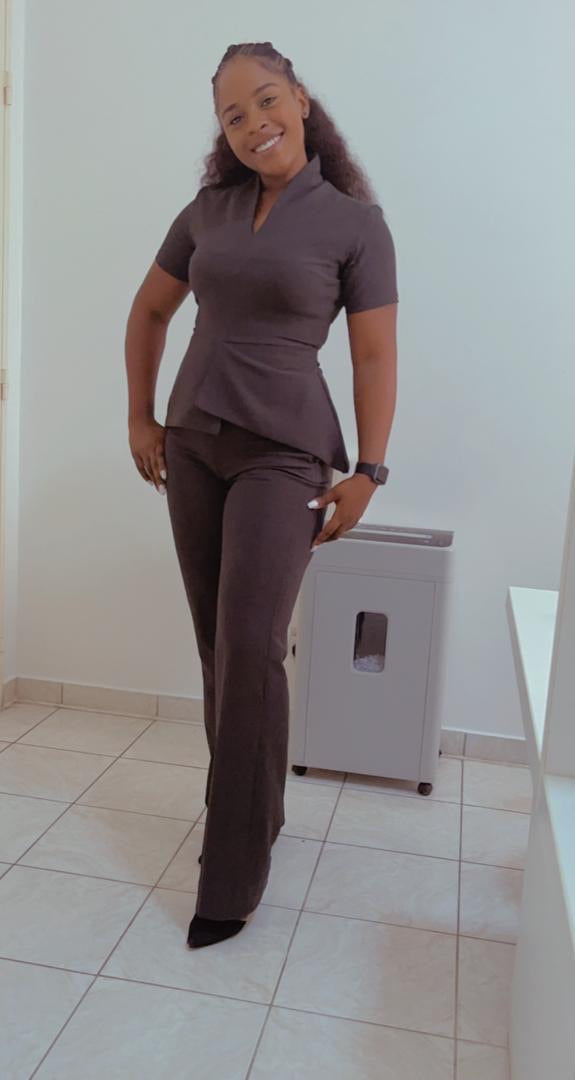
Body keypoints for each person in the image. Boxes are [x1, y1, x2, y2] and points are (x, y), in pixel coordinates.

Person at [125, 41, 399, 949]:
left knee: (250, 646)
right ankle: (257, 811)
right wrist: (140, 416)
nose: (254, 124)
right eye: (233, 115)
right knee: (220, 650)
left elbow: (372, 354)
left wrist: (368, 469)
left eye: (267, 101)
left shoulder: (355, 224)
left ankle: (231, 876)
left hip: (284, 453)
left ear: (301, 100)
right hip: (193, 443)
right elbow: (150, 310)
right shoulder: (206, 211)